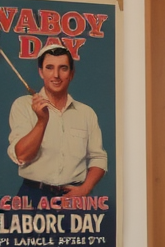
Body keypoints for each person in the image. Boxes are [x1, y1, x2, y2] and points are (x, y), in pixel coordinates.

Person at [7, 42, 107, 199]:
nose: (56, 75)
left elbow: (99, 158)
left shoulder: (87, 113)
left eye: (63, 68)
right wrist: (42, 121)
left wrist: (84, 189)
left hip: (73, 197)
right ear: (41, 72)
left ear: (71, 74)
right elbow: (22, 156)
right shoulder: (23, 105)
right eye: (49, 67)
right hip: (32, 196)